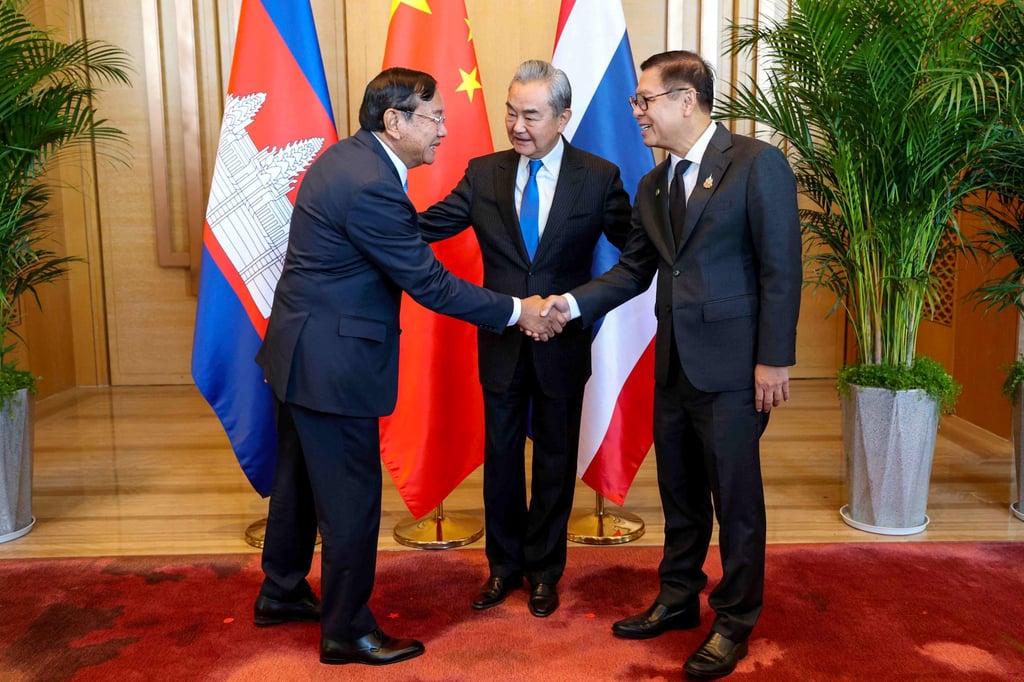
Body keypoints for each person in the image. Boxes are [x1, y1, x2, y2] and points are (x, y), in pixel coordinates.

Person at [252, 67, 562, 667]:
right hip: (331, 365)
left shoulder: (351, 160)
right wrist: (516, 309)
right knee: (349, 500)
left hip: (299, 352)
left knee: (296, 484)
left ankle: (281, 591)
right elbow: (428, 283)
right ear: (394, 122)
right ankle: (345, 631)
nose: (445, 130)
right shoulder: (370, 182)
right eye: (436, 118)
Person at [542, 50, 801, 678]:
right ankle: (680, 599)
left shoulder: (754, 164)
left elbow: (780, 269)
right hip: (676, 366)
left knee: (735, 499)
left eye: (644, 100)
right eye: (636, 102)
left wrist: (774, 361)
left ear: (687, 100)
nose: (636, 112)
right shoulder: (653, 184)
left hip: (737, 369)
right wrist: (568, 303)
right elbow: (634, 270)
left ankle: (735, 620)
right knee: (680, 494)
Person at [418, 60, 631, 618]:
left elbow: (637, 254)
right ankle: (502, 568)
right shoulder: (483, 173)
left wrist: (576, 304)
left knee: (556, 462)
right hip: (503, 343)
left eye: (530, 115)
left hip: (563, 344)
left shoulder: (598, 176)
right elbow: (428, 225)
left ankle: (545, 571)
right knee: (502, 461)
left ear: (562, 117)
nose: (516, 126)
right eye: (510, 112)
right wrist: (361, 211)